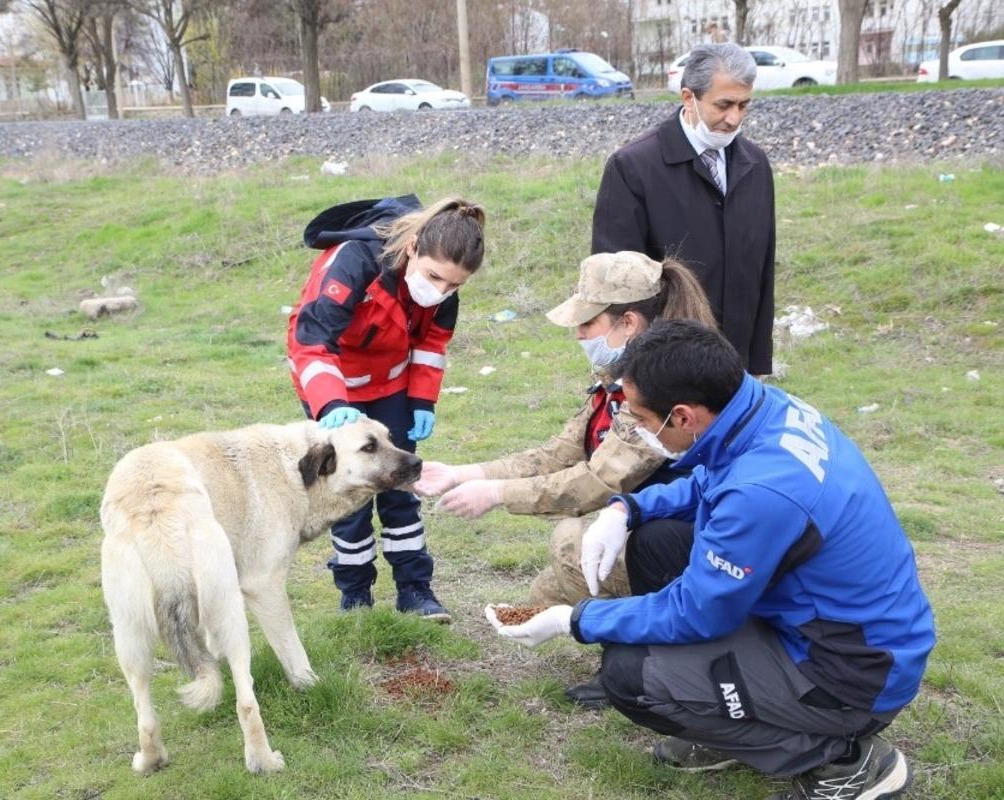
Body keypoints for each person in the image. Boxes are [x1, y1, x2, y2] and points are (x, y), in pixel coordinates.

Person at [488, 320, 935, 800]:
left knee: (631, 674)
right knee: (654, 543)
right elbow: (710, 480)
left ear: (682, 417)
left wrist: (572, 619)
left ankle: (844, 761)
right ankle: (730, 717)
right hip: (829, 620)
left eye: (639, 418)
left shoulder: (761, 492)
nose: (635, 428)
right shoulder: (761, 409)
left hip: (847, 672)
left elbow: (694, 612)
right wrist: (627, 508)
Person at [414, 251, 715, 610]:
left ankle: (649, 639)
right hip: (651, 520)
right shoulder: (622, 375)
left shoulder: (659, 390)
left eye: (587, 324)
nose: (577, 335)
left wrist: (496, 493)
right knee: (543, 597)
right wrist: (463, 474)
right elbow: (561, 452)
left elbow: (595, 484)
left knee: (571, 547)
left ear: (629, 323)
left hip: (685, 535)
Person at [287, 194, 486, 622]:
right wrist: (331, 404)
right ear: (412, 246)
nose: (441, 292)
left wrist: (421, 400)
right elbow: (311, 343)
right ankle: (355, 593)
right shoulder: (352, 262)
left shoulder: (442, 284)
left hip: (391, 385)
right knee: (350, 489)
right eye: (434, 277)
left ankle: (415, 590)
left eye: (453, 286)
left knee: (401, 484)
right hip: (333, 384)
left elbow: (431, 345)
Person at [591, 43, 775, 376]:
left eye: (744, 105)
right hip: (666, 367)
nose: (734, 118)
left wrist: (756, 362)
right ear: (688, 98)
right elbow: (615, 283)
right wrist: (631, 373)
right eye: (724, 105)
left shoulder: (755, 165)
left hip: (736, 363)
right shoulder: (633, 167)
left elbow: (761, 271)